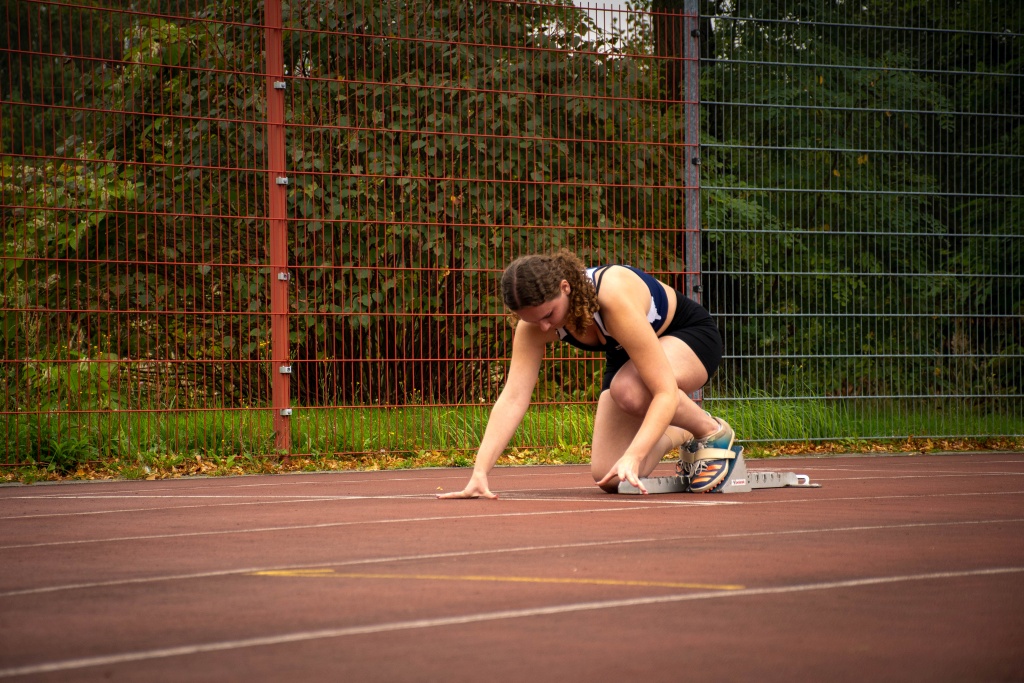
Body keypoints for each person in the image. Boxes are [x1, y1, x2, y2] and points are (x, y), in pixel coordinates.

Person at [437, 249, 735, 499]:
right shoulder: (533, 325)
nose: (543, 328)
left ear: (565, 287)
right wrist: (480, 472)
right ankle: (678, 430)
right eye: (530, 320)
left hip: (688, 337)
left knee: (629, 390)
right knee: (609, 477)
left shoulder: (612, 297)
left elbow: (665, 391)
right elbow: (513, 397)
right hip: (628, 359)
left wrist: (633, 454)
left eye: (548, 315)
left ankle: (711, 431)